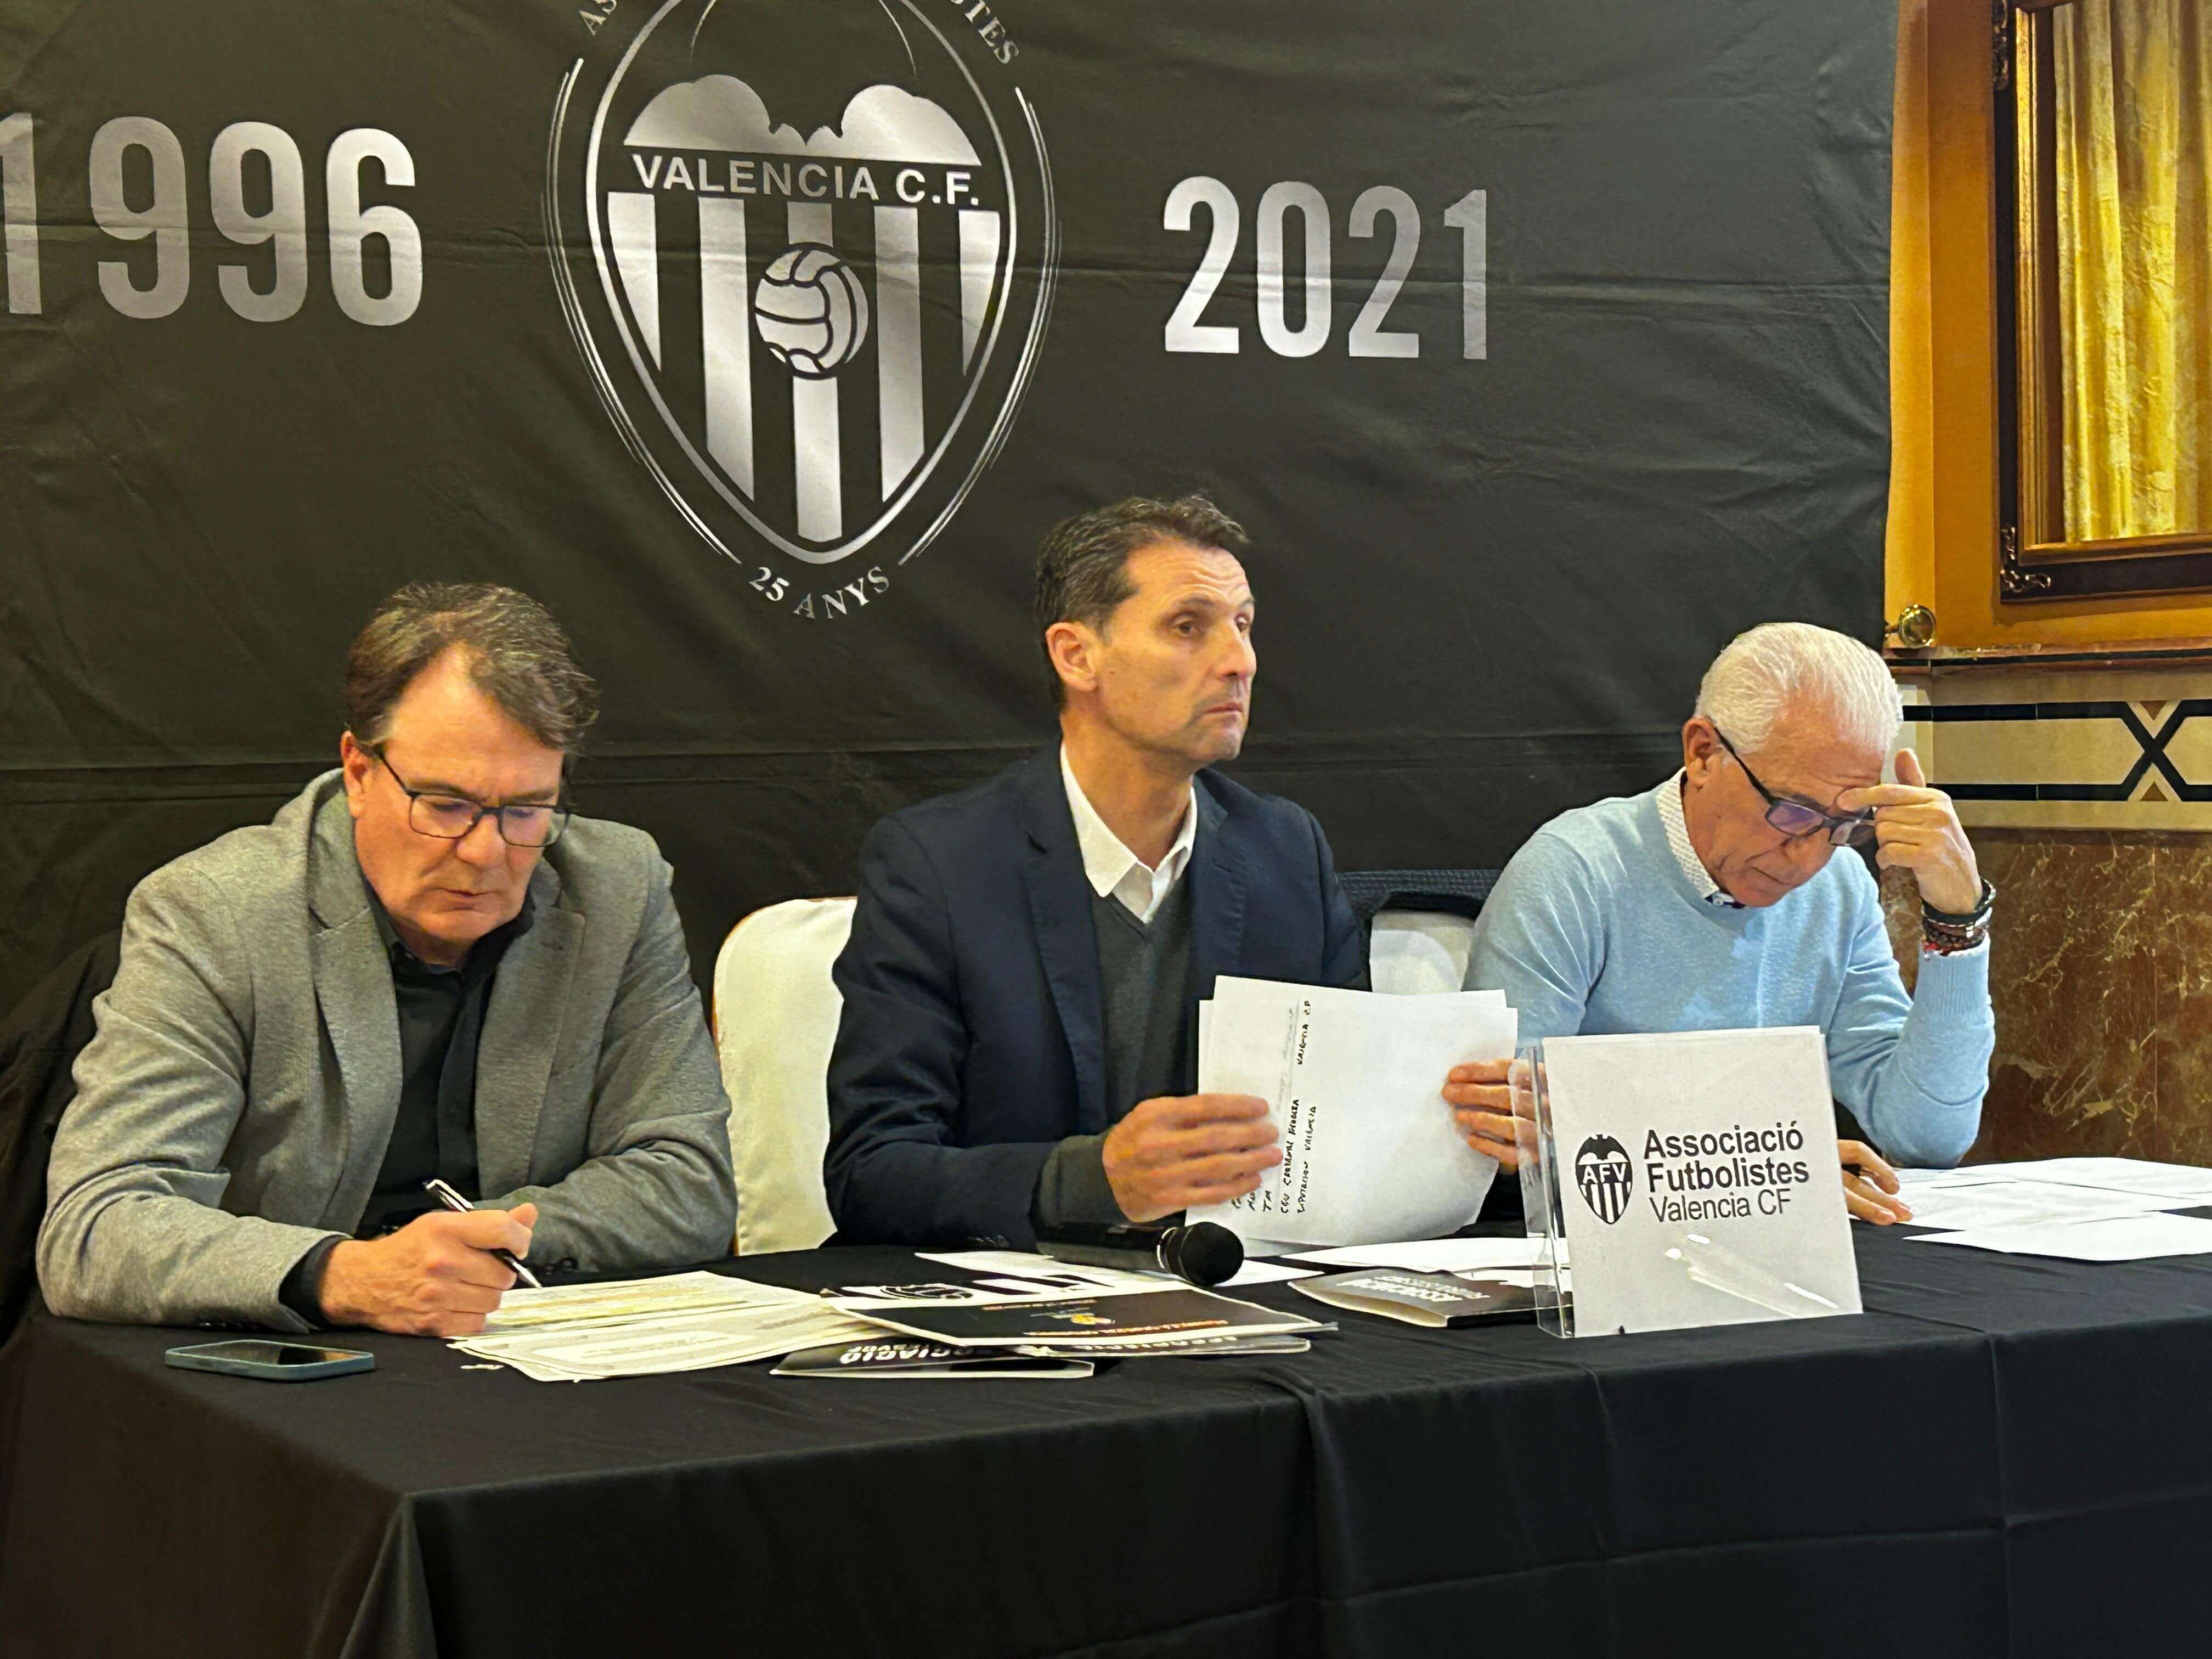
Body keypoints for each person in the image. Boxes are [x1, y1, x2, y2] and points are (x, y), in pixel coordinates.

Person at [39, 584, 736, 1335]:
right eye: (445, 805)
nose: (485, 852)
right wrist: (343, 1274)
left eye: (526, 809)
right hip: (298, 1375)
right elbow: (96, 1225)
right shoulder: (216, 913)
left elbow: (689, 1182)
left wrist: (474, 1248)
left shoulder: (619, 887)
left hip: (527, 1356)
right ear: (359, 774)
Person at [825, 495, 1365, 1246]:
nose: (1238, 660)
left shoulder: (1285, 851)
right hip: (1015, 1313)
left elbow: (1347, 1125)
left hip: (1237, 1294)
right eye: (1189, 626)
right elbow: (871, 1173)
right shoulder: (940, 865)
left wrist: (1478, 1138)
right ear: (1077, 655)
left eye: (1243, 626)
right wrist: (1087, 1179)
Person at [1442, 622, 1994, 1224]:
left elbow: (1928, 1136)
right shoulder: (1575, 870)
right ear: (1703, 752)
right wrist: (1771, 1170)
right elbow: (1510, 1138)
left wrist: (1956, 920)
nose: (1809, 856)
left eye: (1844, 825)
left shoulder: (1839, 887)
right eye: (1791, 812)